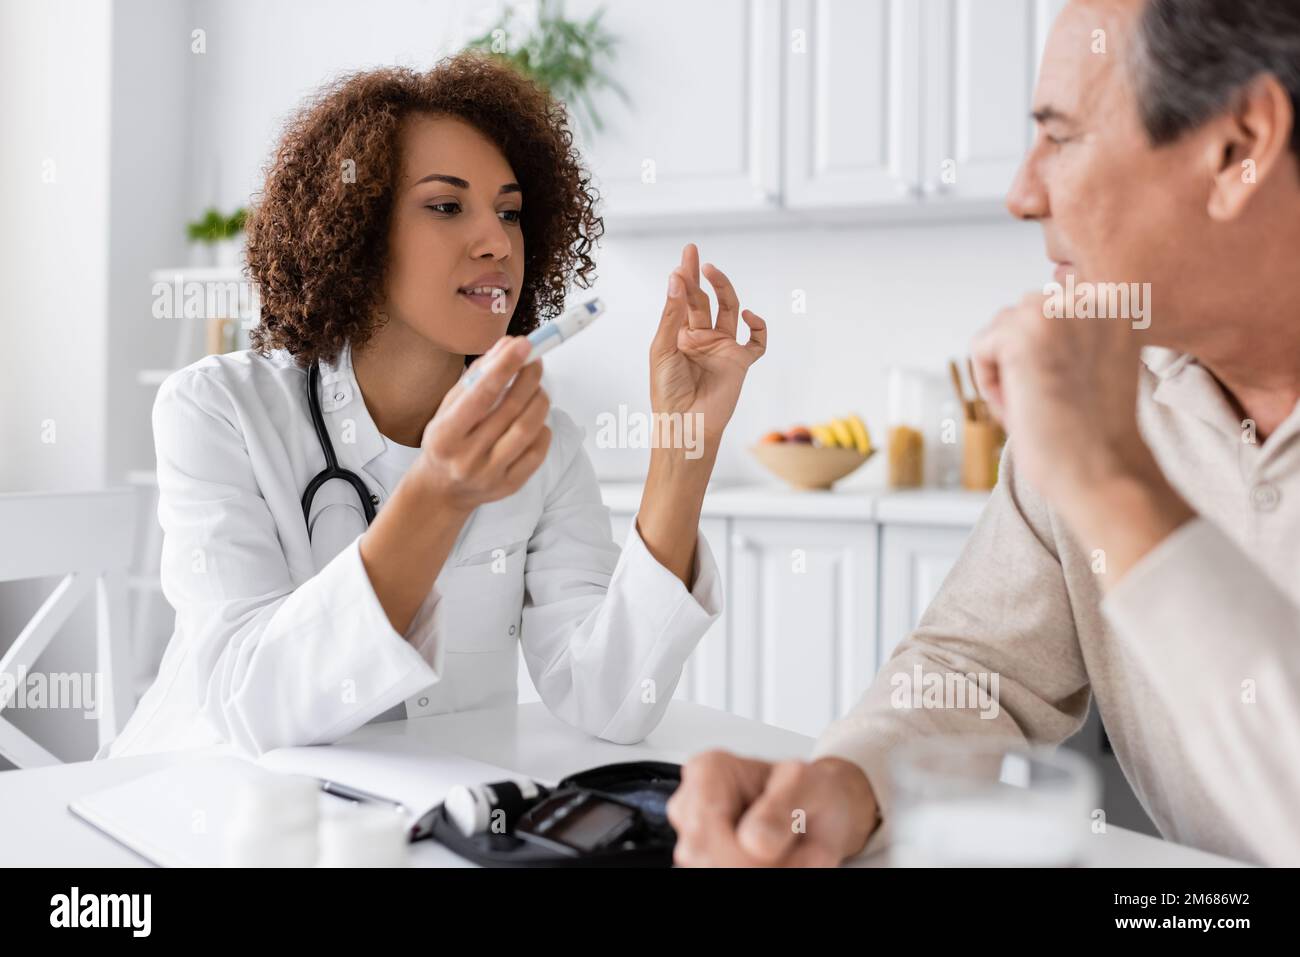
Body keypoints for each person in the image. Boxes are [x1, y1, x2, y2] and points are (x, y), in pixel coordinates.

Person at [667, 0, 1300, 867]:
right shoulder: (1116, 386)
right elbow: (976, 672)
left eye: (1062, 135)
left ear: (1240, 148)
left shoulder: (1097, 429)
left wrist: (1112, 480)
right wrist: (842, 788)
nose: (1021, 192)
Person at [100, 53, 766, 759]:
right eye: (447, 206)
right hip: (200, 812)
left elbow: (613, 699)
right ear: (355, 230)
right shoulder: (218, 411)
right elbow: (248, 704)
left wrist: (686, 440)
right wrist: (439, 495)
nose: (495, 242)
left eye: (509, 212)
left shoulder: (543, 447)